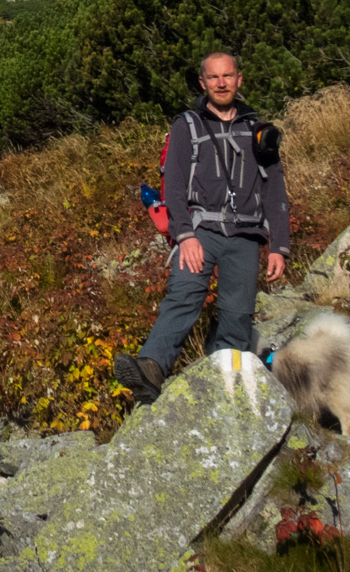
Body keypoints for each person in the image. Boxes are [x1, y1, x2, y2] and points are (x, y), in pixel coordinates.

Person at [114, 52, 290, 406]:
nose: (221, 83)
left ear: (240, 79)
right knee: (184, 293)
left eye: (227, 76)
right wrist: (185, 235)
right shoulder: (187, 126)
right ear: (202, 83)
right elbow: (174, 186)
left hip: (245, 235)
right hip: (200, 229)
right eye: (213, 77)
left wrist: (279, 246)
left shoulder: (259, 130)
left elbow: (275, 189)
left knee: (237, 316)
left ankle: (224, 392)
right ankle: (150, 370)